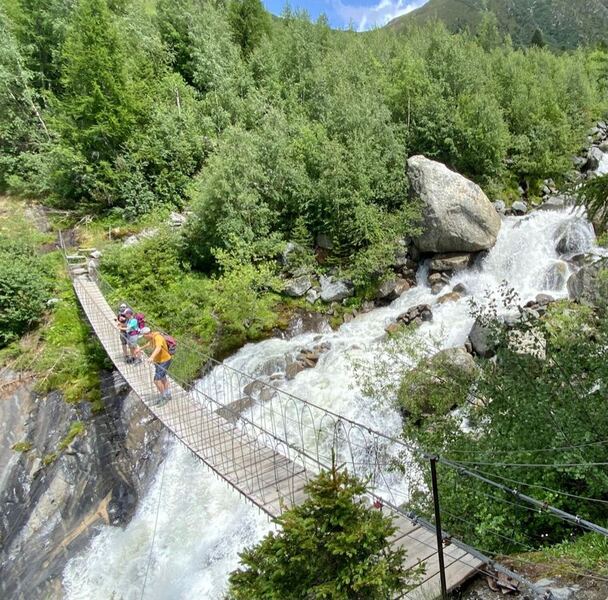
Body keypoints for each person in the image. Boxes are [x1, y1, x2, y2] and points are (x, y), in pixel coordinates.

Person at [140, 327, 172, 402]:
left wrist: (151, 357)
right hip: (158, 361)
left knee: (156, 380)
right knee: (163, 377)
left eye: (144, 336)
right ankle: (168, 394)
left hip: (164, 360)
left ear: (148, 334)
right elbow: (149, 344)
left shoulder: (158, 337)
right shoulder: (153, 336)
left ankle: (164, 397)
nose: (144, 338)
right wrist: (140, 348)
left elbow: (158, 348)